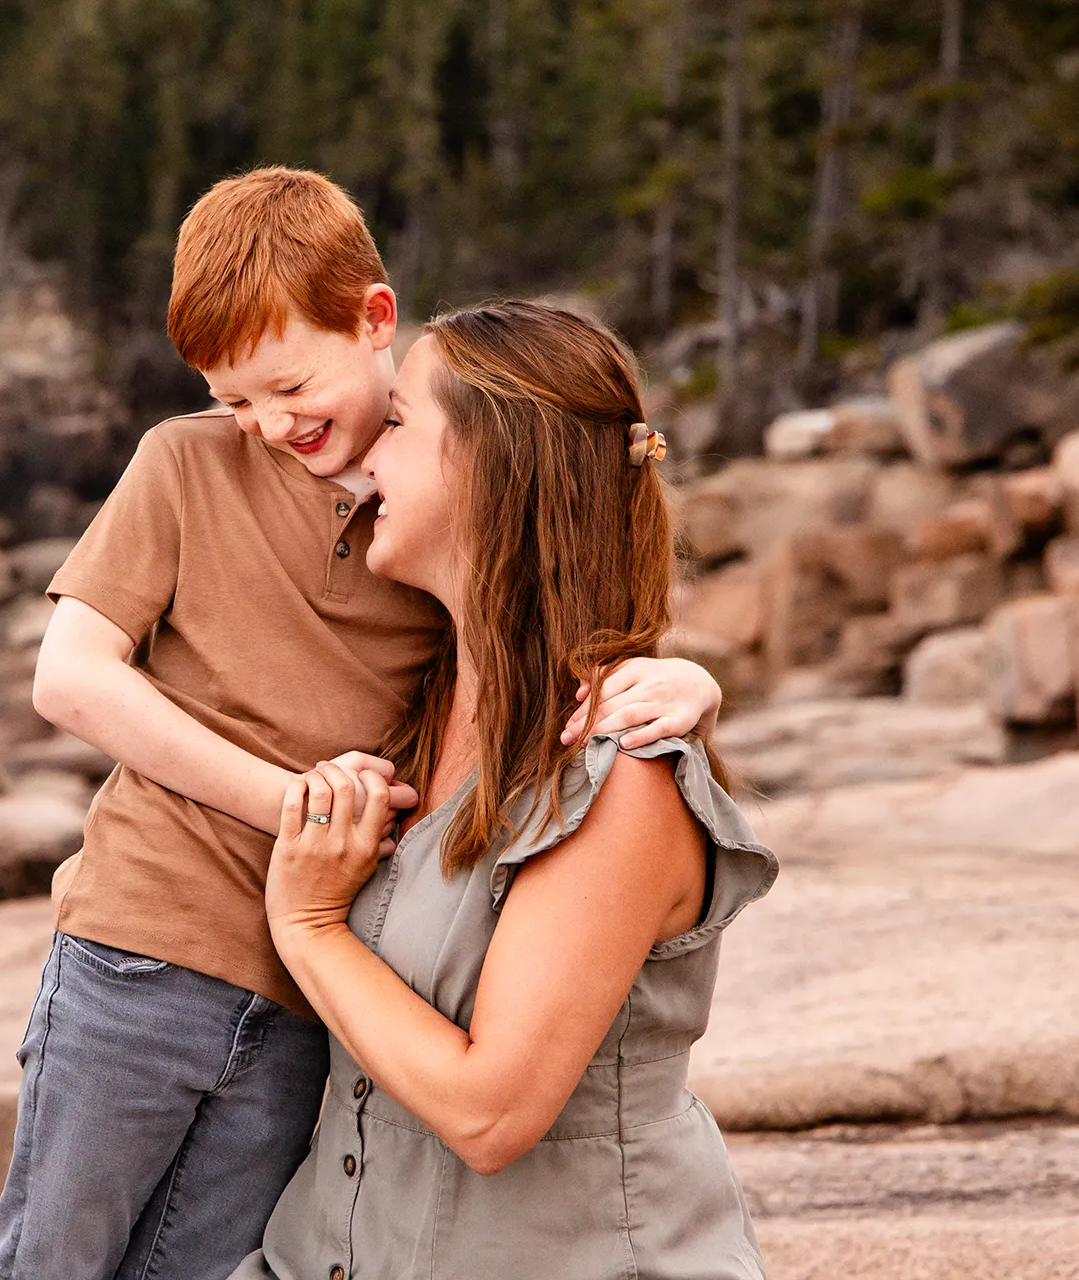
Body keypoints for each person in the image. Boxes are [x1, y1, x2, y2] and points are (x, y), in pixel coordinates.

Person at [0, 169, 730, 1280]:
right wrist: (296, 813)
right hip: (145, 940)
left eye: (285, 386)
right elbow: (71, 677)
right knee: (53, 1258)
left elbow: (552, 606)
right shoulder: (194, 464)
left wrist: (682, 679)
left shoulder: (431, 548)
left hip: (299, 999)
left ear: (374, 321)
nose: (272, 426)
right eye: (234, 399)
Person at [234, 300, 778, 1280]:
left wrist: (309, 923)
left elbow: (493, 1110)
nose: (366, 462)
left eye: (397, 424)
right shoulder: (410, 710)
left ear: (492, 467)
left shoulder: (619, 779)